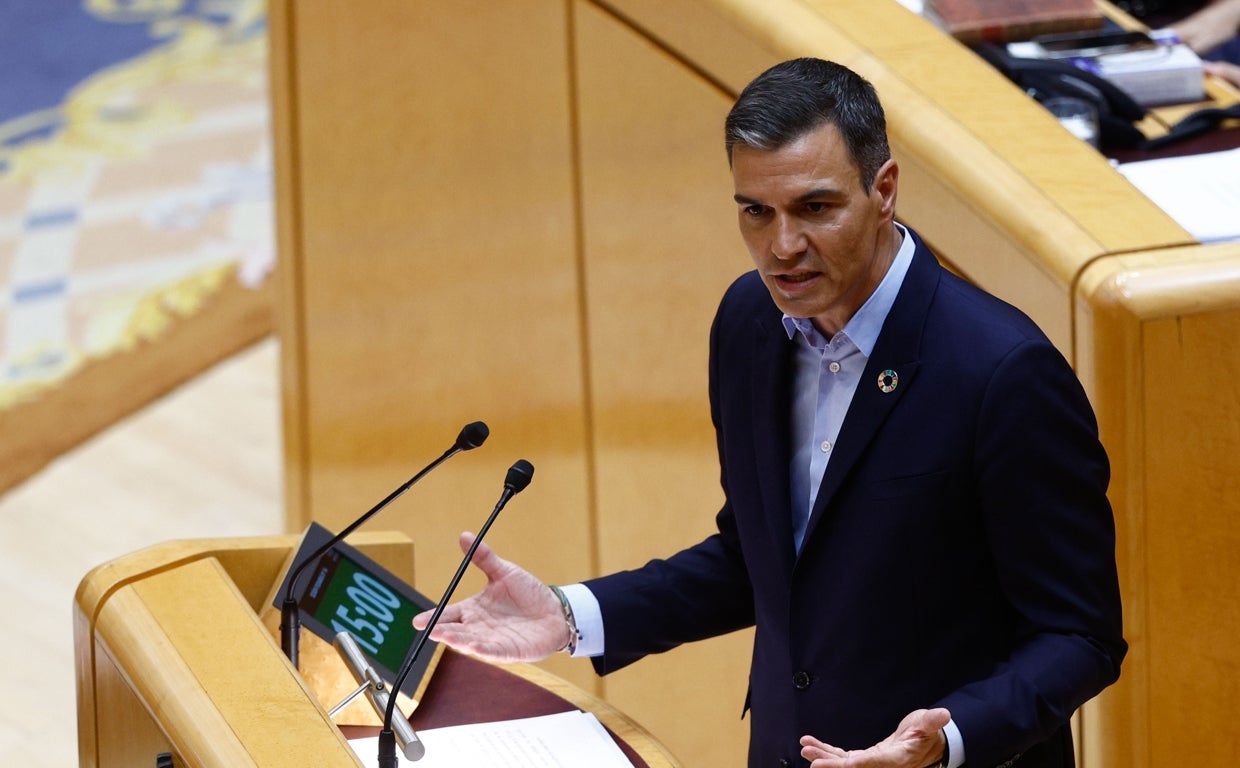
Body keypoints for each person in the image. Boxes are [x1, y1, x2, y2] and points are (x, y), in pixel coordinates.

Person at [415, 58, 1126, 768]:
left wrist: (948, 742)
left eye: (815, 208)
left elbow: (1079, 635)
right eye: (756, 211)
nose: (781, 247)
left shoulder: (1001, 372)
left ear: (884, 190)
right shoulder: (750, 323)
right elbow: (759, 558)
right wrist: (572, 617)